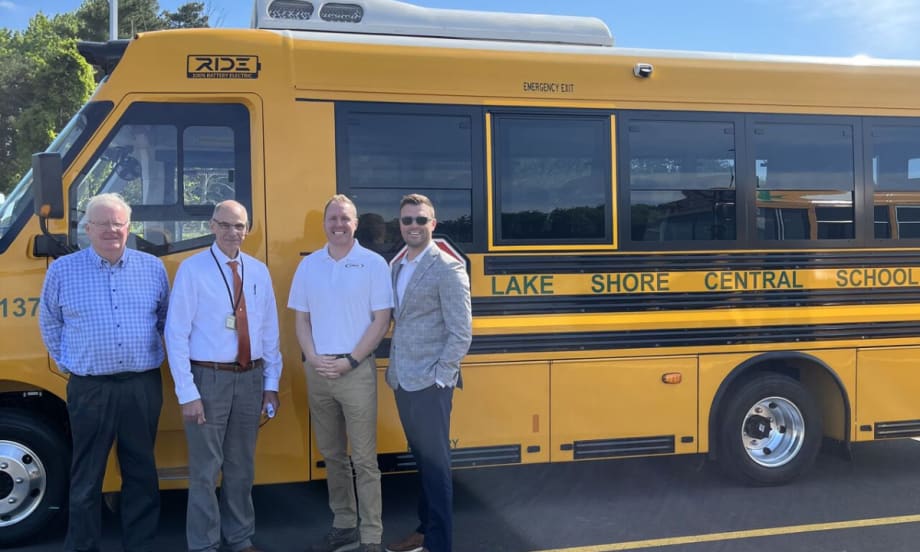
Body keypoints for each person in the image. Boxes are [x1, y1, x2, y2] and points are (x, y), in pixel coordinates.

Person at [39, 192, 169, 552]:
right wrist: (70, 363)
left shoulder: (152, 268)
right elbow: (50, 322)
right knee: (87, 475)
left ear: (128, 227)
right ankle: (82, 546)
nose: (111, 230)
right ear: (88, 229)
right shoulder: (63, 270)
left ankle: (140, 545)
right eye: (103, 223)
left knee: (141, 472)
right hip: (90, 388)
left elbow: (163, 319)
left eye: (118, 223)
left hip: (141, 385)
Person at [165, 200, 282, 552]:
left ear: (247, 229)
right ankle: (203, 544)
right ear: (212, 226)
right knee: (205, 470)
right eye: (226, 225)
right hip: (208, 379)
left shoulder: (258, 271)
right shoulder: (193, 269)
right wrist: (187, 393)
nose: (234, 232)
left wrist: (271, 385)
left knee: (242, 467)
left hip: (250, 378)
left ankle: (240, 539)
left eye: (240, 226)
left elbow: (270, 332)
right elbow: (176, 333)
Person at [288, 195, 393, 552]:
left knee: (364, 459)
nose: (338, 224)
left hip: (356, 370)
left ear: (355, 224)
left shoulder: (373, 264)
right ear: (324, 224)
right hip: (318, 371)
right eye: (333, 218)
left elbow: (381, 320)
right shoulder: (309, 266)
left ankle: (372, 535)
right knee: (332, 455)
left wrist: (350, 360)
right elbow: (300, 319)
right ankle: (345, 523)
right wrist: (314, 358)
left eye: (345, 219)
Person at [385, 194, 472, 552]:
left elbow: (461, 330)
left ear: (433, 225)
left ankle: (439, 543)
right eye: (407, 220)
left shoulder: (447, 268)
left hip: (431, 383)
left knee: (436, 468)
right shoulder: (398, 265)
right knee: (422, 460)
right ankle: (424, 532)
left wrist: (442, 376)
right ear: (400, 225)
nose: (414, 226)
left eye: (421, 220)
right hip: (403, 378)